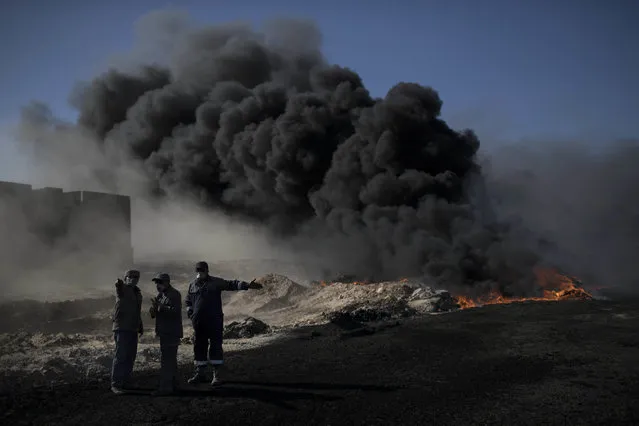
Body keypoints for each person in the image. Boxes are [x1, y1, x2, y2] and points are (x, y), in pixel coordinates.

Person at [184, 261, 262, 386]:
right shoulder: (192, 285)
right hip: (199, 323)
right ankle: (200, 373)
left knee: (215, 347)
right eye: (198, 270)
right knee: (199, 347)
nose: (200, 272)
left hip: (214, 321)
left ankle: (217, 375)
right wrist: (190, 313)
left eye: (202, 270)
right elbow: (188, 300)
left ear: (207, 270)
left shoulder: (215, 282)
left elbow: (231, 284)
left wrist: (247, 285)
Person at [149, 273, 183, 396]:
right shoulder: (160, 295)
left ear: (167, 282)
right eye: (156, 283)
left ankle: (165, 387)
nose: (157, 285)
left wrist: (161, 307)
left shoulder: (174, 294)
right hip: (165, 332)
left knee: (167, 360)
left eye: (160, 282)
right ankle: (174, 385)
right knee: (170, 360)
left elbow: (176, 312)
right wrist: (153, 309)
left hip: (171, 332)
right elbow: (154, 314)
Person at [111, 269, 144, 394]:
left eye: (136, 276)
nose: (134, 278)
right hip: (122, 328)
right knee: (121, 356)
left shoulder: (137, 292)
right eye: (130, 276)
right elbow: (118, 289)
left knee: (130, 356)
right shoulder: (123, 289)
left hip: (132, 328)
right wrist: (119, 283)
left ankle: (126, 381)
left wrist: (140, 325)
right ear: (126, 278)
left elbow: (137, 310)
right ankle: (116, 384)